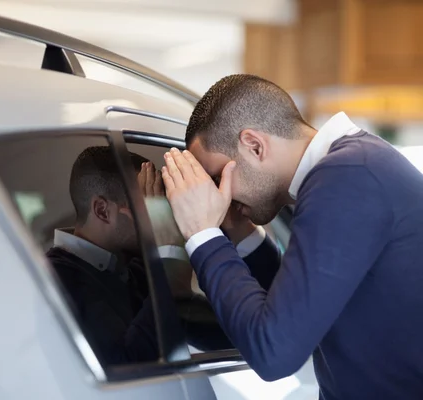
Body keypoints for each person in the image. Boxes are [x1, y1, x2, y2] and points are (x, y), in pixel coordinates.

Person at [160, 74, 423, 399]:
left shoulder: (347, 179)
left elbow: (274, 352)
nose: (219, 195)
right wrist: (238, 231)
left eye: (216, 177)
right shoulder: (354, 166)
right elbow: (299, 309)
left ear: (254, 146)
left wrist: (203, 233)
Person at [47, 146, 280, 365]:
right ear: (103, 211)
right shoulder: (55, 280)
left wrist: (236, 226)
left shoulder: (134, 269)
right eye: (148, 203)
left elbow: (241, 334)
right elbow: (131, 365)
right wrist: (170, 252)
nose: (162, 213)